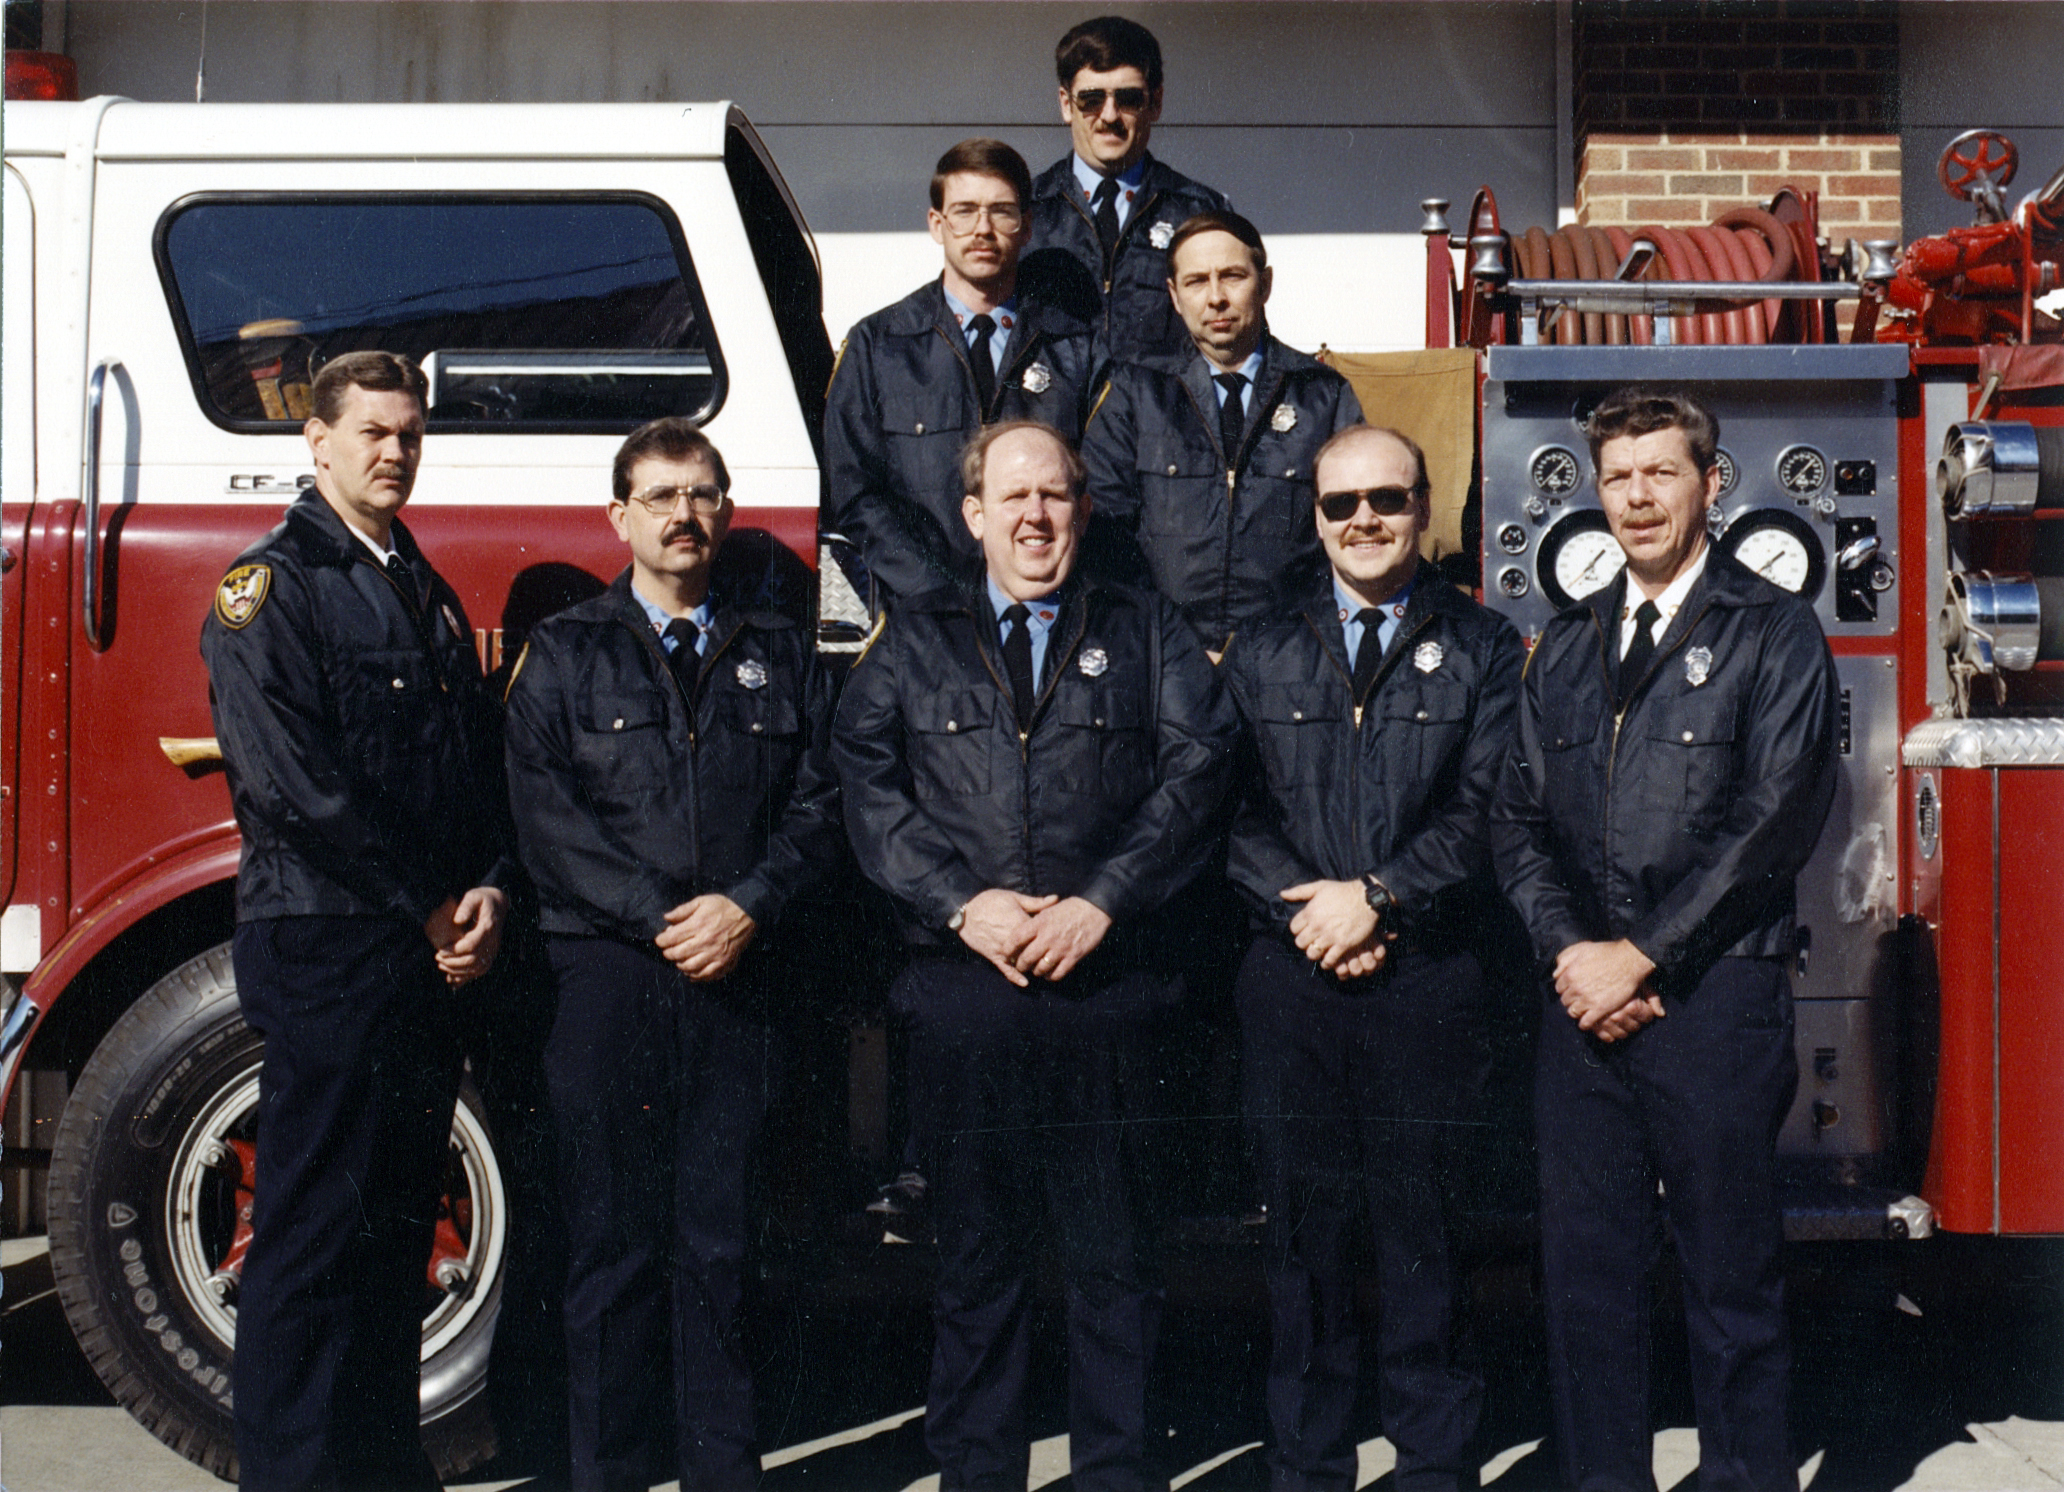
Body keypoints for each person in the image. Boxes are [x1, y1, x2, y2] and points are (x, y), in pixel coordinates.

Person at [833, 421, 1238, 1492]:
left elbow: (1198, 773)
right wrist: (962, 904)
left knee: (1118, 1264)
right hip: (967, 995)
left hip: (1112, 993)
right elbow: (867, 788)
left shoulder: (1145, 629)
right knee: (976, 1266)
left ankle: (1117, 1473)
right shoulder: (912, 642)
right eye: (1011, 498)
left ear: (1085, 508)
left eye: (1055, 495)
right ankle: (978, 1472)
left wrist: (1103, 903)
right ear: (972, 517)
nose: (1034, 516)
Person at [1492, 387, 1839, 1492]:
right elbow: (1517, 816)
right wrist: (1571, 954)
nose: (1637, 497)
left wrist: (1640, 956)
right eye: (1618, 477)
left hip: (1713, 1001)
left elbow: (1777, 817)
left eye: (1660, 473)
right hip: (1581, 1004)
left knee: (1730, 1284)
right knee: (1587, 1284)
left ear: (1710, 484)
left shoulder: (1772, 631)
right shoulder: (1566, 643)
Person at [502, 419, 840, 1491]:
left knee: (725, 1250)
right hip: (608, 979)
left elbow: (824, 806)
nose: (684, 515)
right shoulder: (562, 652)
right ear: (621, 518)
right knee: (608, 1253)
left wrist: (746, 905)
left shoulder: (780, 653)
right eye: (660, 497)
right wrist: (665, 916)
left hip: (742, 976)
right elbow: (544, 818)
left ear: (727, 511)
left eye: (702, 495)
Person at [200, 350, 511, 1492]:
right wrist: (427, 904)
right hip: (334, 944)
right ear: (316, 442)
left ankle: (378, 1466)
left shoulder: (415, 586)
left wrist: (484, 887)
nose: (394, 451)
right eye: (372, 432)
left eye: (410, 434)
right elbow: (294, 787)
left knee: (388, 1234)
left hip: (421, 955)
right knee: (310, 1240)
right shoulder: (269, 590)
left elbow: (464, 767)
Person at [1219, 426, 1522, 1492]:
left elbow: (1489, 809)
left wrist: (1381, 898)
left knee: (1424, 1236)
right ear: (1314, 515)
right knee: (1303, 1243)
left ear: (1423, 508)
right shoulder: (1263, 647)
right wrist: (1312, 914)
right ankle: (1309, 1465)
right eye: (1341, 503)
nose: (1363, 521)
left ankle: (1436, 1466)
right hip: (1292, 977)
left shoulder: (1485, 647)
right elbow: (1226, 807)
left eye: (1386, 500)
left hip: (1428, 980)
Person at [825, 137, 1097, 603]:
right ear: (937, 224)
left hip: (1049, 610)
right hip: (925, 619)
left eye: (1002, 211)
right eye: (965, 211)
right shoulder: (879, 346)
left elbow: (1101, 484)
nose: (983, 229)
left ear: (1027, 226)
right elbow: (853, 494)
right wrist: (940, 592)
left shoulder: (1075, 349)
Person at [1081, 210, 1362, 657]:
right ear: (1174, 296)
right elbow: (1104, 536)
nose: (1216, 298)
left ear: (1265, 284)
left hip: (1290, 658)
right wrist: (1165, 645)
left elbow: (1352, 537)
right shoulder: (1135, 394)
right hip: (1165, 658)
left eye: (1232, 276)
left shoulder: (1322, 397)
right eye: (1196, 282)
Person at [1021, 15, 1232, 364]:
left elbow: (1240, 343)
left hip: (1161, 416)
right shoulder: (1026, 209)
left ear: (1156, 103)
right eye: (1090, 99)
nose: (1109, 116)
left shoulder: (1200, 212)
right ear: (1065, 104)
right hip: (1053, 417)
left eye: (1129, 98)